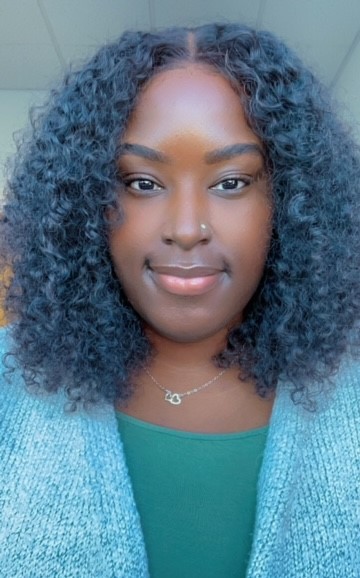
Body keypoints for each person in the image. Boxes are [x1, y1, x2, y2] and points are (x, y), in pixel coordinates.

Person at [0, 22, 359, 578]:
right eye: (142, 183)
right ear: (86, 202)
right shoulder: (9, 382)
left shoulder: (350, 390)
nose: (187, 229)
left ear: (289, 203)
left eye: (231, 182)